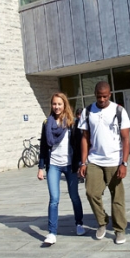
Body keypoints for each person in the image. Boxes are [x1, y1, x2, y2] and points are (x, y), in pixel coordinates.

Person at [78, 81, 130, 244]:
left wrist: (124, 163)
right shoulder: (88, 111)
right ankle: (102, 222)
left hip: (115, 160)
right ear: (95, 94)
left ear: (110, 94)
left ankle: (119, 230)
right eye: (99, 96)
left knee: (117, 197)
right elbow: (85, 138)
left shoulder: (118, 110)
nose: (102, 99)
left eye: (105, 96)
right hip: (94, 160)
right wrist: (83, 162)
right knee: (91, 193)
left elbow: (126, 138)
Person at [37, 93, 85, 245]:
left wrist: (80, 165)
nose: (56, 107)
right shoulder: (47, 123)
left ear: (65, 105)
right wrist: (40, 167)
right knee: (54, 199)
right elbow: (44, 147)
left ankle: (79, 223)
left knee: (74, 196)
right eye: (54, 104)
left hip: (70, 165)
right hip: (54, 166)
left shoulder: (72, 123)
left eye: (59, 104)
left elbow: (78, 146)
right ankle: (52, 233)